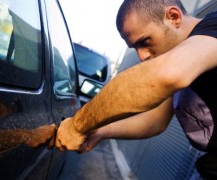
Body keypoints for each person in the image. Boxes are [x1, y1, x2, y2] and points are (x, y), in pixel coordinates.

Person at [55, 0, 217, 178]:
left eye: (145, 41)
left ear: (173, 17)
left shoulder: (213, 27)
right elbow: (155, 121)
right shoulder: (180, 60)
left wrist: (77, 125)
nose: (142, 56)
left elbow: (165, 75)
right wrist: (101, 131)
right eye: (135, 48)